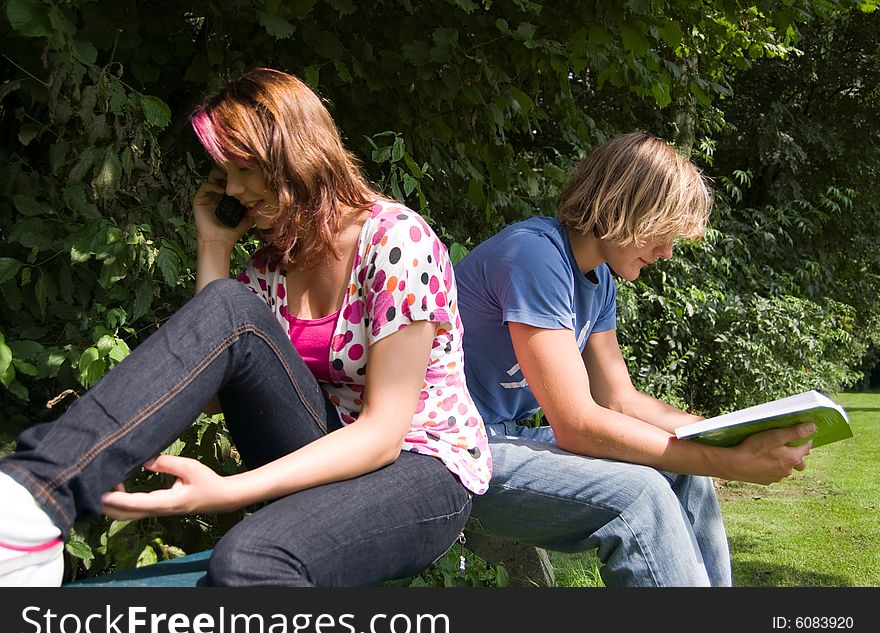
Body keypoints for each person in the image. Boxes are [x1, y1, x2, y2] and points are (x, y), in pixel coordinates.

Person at [0, 67, 490, 587]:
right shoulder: (272, 265)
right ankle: (35, 498)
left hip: (420, 466)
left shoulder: (397, 242)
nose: (232, 188)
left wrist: (229, 490)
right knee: (230, 305)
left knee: (248, 560)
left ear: (293, 155)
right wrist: (214, 247)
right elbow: (214, 394)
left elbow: (383, 435)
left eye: (244, 169)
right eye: (224, 172)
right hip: (326, 444)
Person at [453, 132, 815, 587]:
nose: (666, 251)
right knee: (640, 497)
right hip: (450, 447)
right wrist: (727, 463)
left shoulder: (598, 281)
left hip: (496, 438)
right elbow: (577, 424)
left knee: (686, 478)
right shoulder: (535, 256)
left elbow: (620, 399)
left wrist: (724, 437)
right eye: (662, 232)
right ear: (621, 206)